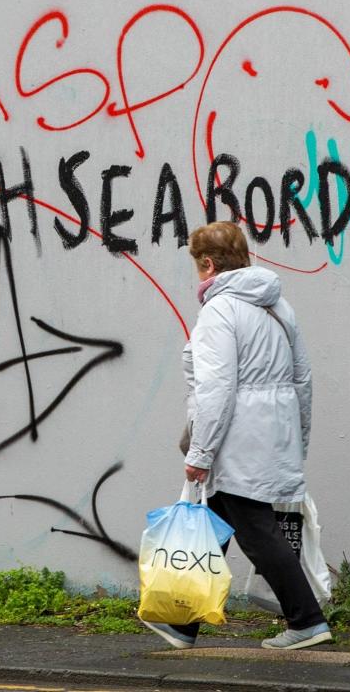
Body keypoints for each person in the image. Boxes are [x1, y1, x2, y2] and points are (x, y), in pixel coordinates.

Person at [141, 221, 332, 651]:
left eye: (197, 265)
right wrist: (297, 438)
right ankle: (183, 624)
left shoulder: (219, 311)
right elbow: (303, 379)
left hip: (236, 441)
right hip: (271, 435)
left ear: (207, 264)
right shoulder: (279, 308)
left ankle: (307, 620)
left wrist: (201, 453)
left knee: (255, 531)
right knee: (219, 522)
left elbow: (216, 389)